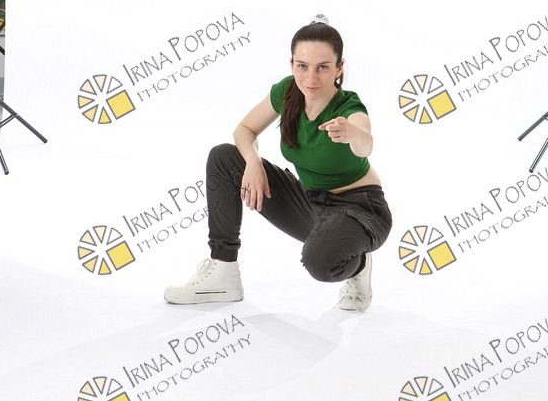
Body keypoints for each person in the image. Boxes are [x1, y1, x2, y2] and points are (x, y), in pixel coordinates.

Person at [164, 17, 393, 311]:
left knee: (320, 263)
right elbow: (244, 129)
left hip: (360, 209)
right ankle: (224, 271)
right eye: (302, 66)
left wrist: (353, 134)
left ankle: (358, 264)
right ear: (292, 65)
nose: (311, 78)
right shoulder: (287, 92)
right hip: (310, 203)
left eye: (323, 67)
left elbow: (366, 143)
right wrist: (253, 162)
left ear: (339, 68)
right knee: (224, 157)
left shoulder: (349, 107)